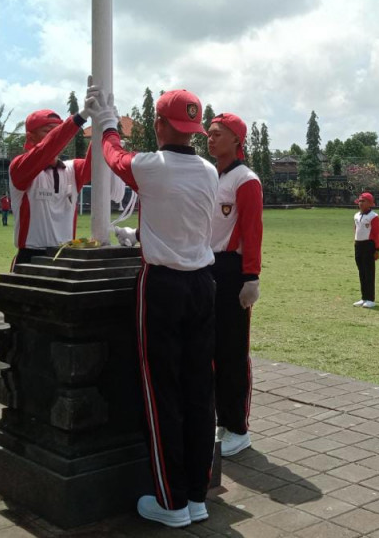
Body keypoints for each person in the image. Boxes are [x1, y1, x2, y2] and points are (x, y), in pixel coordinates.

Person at [86, 78, 218, 529]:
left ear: (160, 124)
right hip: (203, 283)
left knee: (161, 392)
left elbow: (113, 157)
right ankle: (196, 495)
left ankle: (172, 501)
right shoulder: (209, 171)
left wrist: (107, 124)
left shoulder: (152, 167)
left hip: (163, 285)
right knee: (199, 391)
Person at [206, 113, 263, 459]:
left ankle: (239, 428)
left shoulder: (246, 179)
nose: (210, 139)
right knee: (212, 349)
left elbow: (252, 230)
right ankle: (223, 419)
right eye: (209, 134)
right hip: (207, 265)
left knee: (233, 351)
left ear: (236, 140)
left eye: (217, 134)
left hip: (232, 270)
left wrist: (251, 276)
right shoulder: (212, 175)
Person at [8, 109, 94, 268]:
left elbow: (96, 163)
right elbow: (47, 148)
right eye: (48, 131)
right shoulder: (19, 167)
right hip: (31, 257)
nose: (55, 135)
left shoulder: (72, 169)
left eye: (58, 130)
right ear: (30, 137)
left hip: (66, 254)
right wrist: (80, 117)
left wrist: (104, 125)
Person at [352, 192, 379, 308]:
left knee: (369, 272)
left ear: (370, 203)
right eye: (360, 201)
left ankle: (370, 299)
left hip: (369, 245)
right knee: (361, 272)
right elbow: (356, 229)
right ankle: (364, 297)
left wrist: (377, 249)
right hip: (358, 245)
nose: (361, 203)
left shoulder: (373, 216)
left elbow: (376, 234)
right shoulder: (356, 215)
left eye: (363, 201)